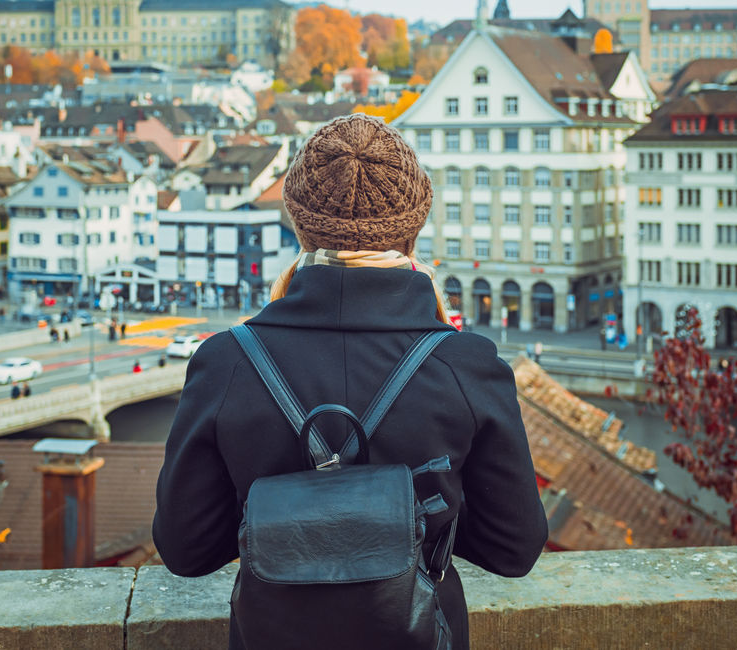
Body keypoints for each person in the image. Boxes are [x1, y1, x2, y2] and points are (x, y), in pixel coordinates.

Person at [153, 114, 547, 650]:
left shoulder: (225, 363)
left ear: (300, 225)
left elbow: (186, 551)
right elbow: (514, 549)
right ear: (413, 227)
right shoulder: (467, 366)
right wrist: (414, 519)